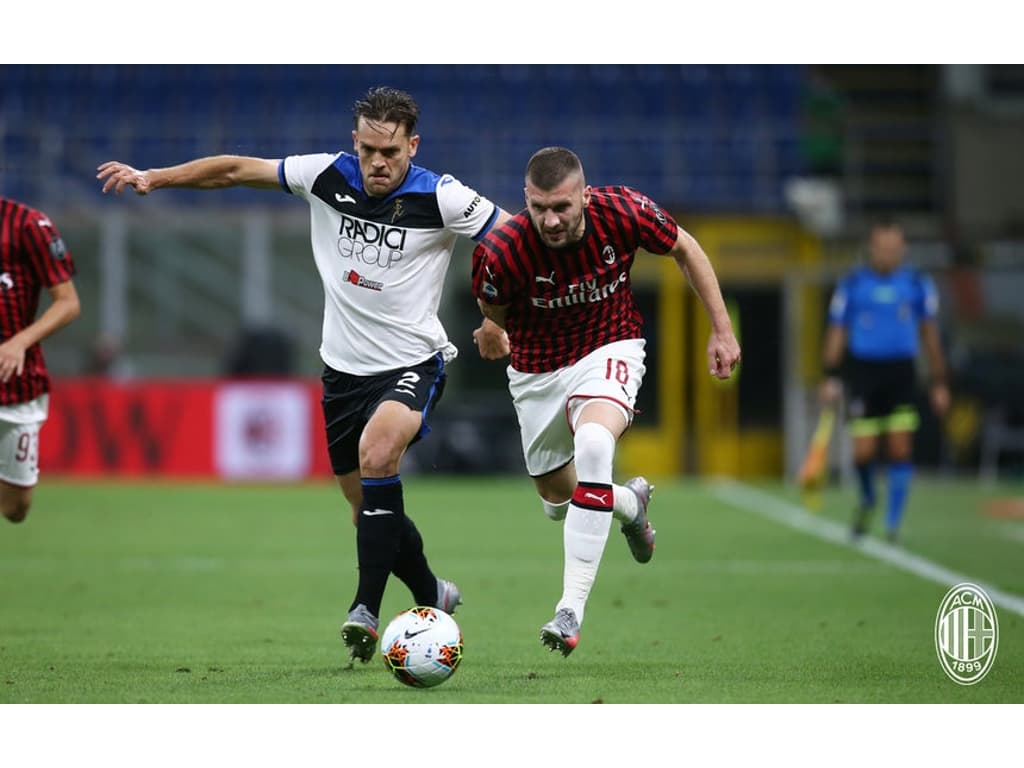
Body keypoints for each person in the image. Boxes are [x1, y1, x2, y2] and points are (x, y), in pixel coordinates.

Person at [97, 86, 511, 663]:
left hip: (414, 361)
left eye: (391, 151)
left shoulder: (442, 196)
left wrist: (494, 318)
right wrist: (155, 177)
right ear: (355, 142)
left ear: (413, 146)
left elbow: (512, 242)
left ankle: (365, 609)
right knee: (364, 506)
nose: (378, 163)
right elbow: (237, 170)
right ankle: (430, 592)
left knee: (378, 453)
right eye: (368, 149)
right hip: (342, 373)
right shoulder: (324, 175)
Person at [471, 147, 740, 656]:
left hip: (609, 346)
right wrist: (490, 326)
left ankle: (569, 611)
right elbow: (492, 300)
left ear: (585, 197)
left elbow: (686, 248)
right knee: (557, 502)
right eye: (540, 208)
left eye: (563, 208)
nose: (551, 220)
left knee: (595, 442)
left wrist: (721, 330)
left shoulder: (624, 211)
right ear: (525, 200)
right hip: (537, 370)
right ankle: (629, 502)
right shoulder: (502, 250)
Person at [819, 218, 950, 543]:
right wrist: (831, 376)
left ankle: (892, 523)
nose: (888, 255)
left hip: (901, 373)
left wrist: (939, 381)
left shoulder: (917, 284)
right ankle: (867, 498)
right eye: (882, 248)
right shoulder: (852, 285)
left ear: (902, 249)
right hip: (863, 372)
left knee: (899, 448)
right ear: (872, 249)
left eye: (894, 249)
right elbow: (837, 332)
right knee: (862, 453)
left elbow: (930, 335)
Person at [0, 197, 81, 523]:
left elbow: (68, 303)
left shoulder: (26, 225)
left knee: (15, 509)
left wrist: (20, 341)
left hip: (15, 386)